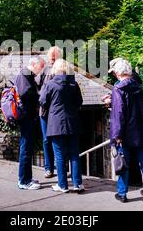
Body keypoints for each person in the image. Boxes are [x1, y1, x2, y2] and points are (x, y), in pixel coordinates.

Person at [109, 58, 143, 203]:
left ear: (117, 73)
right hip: (140, 129)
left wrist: (117, 135)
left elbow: (119, 114)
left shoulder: (118, 88)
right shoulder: (138, 87)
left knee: (123, 161)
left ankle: (122, 193)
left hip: (125, 131)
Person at [39, 59, 84, 193]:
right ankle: (77, 184)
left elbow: (42, 102)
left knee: (59, 155)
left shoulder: (50, 84)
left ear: (55, 70)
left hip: (56, 124)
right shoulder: (74, 84)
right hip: (73, 123)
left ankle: (62, 185)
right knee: (74, 154)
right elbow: (79, 102)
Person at [102, 57, 143, 188]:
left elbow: (121, 109)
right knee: (139, 156)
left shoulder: (122, 84)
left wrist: (117, 134)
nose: (113, 74)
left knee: (125, 156)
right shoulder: (135, 82)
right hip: (137, 124)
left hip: (126, 126)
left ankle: (123, 189)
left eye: (113, 71)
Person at [14, 56, 45, 190]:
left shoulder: (28, 75)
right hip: (26, 116)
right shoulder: (24, 74)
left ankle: (27, 178)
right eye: (41, 66)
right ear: (34, 64)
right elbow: (25, 93)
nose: (42, 69)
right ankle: (24, 181)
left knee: (27, 148)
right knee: (25, 148)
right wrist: (40, 96)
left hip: (29, 116)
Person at [37, 46, 62, 178]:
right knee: (47, 140)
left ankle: (60, 168)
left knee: (57, 140)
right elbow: (39, 89)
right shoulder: (44, 70)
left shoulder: (64, 70)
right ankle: (49, 168)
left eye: (54, 57)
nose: (52, 60)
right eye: (51, 57)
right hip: (45, 111)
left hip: (57, 111)